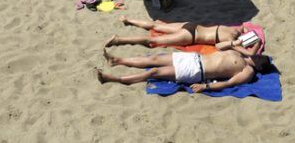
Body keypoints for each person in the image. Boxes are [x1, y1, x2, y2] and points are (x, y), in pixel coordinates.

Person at [98, 48, 272, 91]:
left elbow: (230, 83)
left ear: (259, 66)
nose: (256, 56)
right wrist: (239, 47)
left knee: (153, 73)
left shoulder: (249, 72)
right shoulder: (240, 53)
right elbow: (221, 45)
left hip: (197, 71)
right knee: (154, 59)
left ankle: (112, 79)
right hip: (193, 58)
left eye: (259, 59)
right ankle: (117, 60)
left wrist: (206, 87)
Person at [106, 17, 265, 55]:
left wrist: (248, 35)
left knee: (157, 25)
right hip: (190, 35)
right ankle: (119, 40)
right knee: (153, 41)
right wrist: (237, 44)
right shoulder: (232, 40)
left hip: (193, 25)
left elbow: (246, 25)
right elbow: (218, 47)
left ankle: (128, 20)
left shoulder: (234, 29)